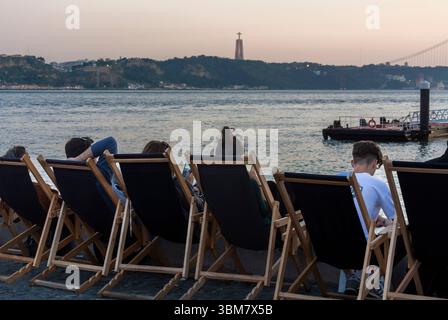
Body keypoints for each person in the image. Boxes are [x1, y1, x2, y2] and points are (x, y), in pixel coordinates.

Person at [343, 141, 396, 298]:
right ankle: (371, 284)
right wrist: (388, 222)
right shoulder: (376, 183)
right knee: (397, 236)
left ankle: (352, 278)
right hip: (361, 252)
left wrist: (375, 217)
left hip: (330, 248)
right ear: (374, 164)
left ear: (353, 162)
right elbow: (395, 219)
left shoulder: (336, 180)